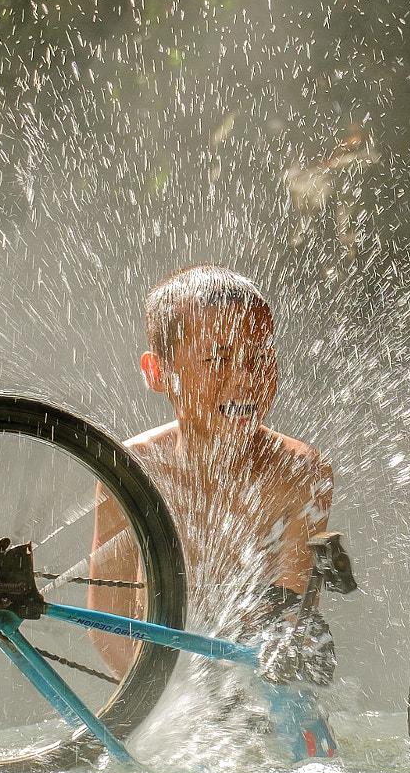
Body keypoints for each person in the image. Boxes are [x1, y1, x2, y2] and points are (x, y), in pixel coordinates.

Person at [87, 264, 335, 693]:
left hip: (262, 687)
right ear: (157, 372)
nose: (244, 379)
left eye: (259, 358)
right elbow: (106, 617)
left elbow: (294, 612)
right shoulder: (133, 468)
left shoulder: (300, 472)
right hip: (160, 694)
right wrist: (170, 704)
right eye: (217, 359)